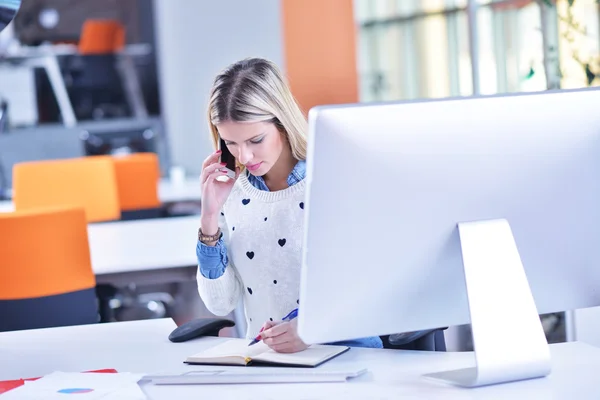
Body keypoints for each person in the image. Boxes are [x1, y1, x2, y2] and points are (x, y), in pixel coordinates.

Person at [195, 57, 384, 353]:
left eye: (256, 139)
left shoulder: (333, 180)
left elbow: (372, 287)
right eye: (230, 143)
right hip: (269, 366)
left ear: (282, 123)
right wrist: (209, 217)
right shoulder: (229, 192)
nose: (244, 156)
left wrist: (311, 328)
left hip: (347, 357)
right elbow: (221, 304)